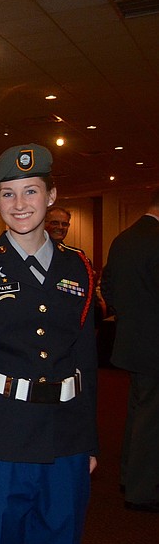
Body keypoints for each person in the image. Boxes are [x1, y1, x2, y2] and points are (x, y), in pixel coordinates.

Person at [0, 144, 98, 544]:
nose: (20, 204)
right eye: (8, 194)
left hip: (66, 436)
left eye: (31, 191)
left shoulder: (79, 266)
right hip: (0, 437)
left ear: (51, 196)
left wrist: (89, 441)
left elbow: (86, 359)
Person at [101, 188, 159, 512]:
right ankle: (141, 491)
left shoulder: (123, 239)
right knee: (151, 418)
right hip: (154, 344)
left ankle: (129, 474)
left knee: (139, 412)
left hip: (131, 340)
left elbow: (108, 286)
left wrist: (127, 315)